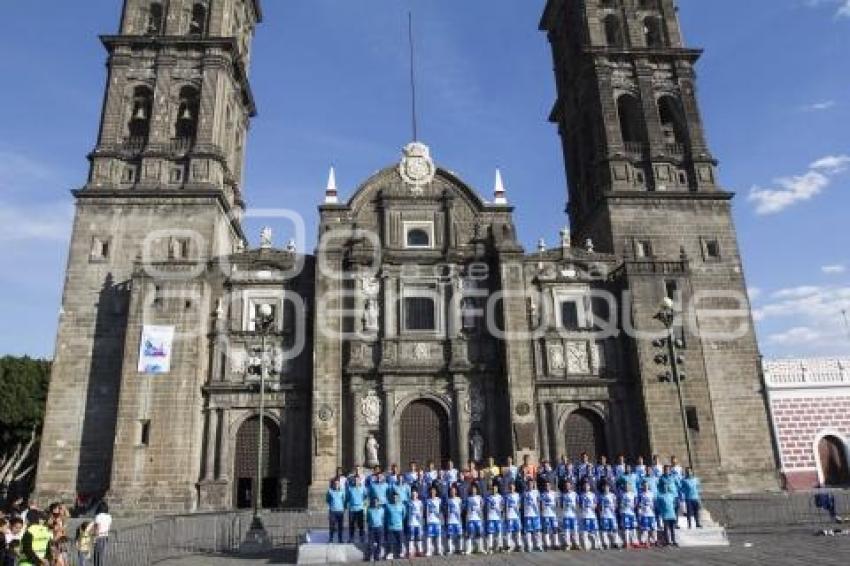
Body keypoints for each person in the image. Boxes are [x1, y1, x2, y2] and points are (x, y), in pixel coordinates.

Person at [578, 481, 601, 551]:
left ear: (589, 487)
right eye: (584, 486)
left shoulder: (593, 495)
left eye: (587, 486)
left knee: (595, 531)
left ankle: (598, 545)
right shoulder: (581, 495)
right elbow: (580, 505)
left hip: (592, 516)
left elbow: (596, 504)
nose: (586, 487)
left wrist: (594, 506)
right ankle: (586, 545)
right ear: (583, 487)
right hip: (585, 516)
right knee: (585, 532)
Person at [522, 479, 543, 552]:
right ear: (527, 485)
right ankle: (529, 546)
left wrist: (540, 511)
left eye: (531, 484)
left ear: (533, 484)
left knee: (537, 530)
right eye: (528, 484)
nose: (530, 485)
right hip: (527, 515)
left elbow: (539, 502)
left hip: (536, 515)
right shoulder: (524, 493)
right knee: (528, 531)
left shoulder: (536, 492)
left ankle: (538, 545)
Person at [599, 483, 621, 549]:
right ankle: (606, 543)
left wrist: (614, 507)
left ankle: (616, 542)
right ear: (603, 488)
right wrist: (601, 512)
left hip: (612, 516)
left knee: (614, 530)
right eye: (605, 488)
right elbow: (599, 506)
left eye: (607, 487)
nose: (606, 489)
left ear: (609, 488)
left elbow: (616, 504)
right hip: (604, 515)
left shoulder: (613, 495)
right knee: (605, 530)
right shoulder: (601, 496)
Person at [558, 480, 580, 550]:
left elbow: (577, 504)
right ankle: (567, 544)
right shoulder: (562, 495)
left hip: (573, 515)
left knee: (575, 530)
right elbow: (561, 505)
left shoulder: (575, 494)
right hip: (566, 515)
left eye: (568, 485)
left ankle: (576, 543)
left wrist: (575, 508)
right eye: (566, 485)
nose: (567, 486)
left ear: (571, 486)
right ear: (564, 486)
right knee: (567, 530)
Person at [384, 492, 406, 559]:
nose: (395, 499)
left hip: (399, 527)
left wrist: (399, 522)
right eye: (394, 498)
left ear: (398, 498)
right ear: (391, 498)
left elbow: (404, 515)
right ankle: (390, 553)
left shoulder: (402, 506)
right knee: (390, 541)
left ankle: (400, 553)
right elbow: (386, 516)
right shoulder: (388, 506)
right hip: (390, 527)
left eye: (396, 497)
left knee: (400, 541)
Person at [464, 483, 485, 554]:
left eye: (475, 489)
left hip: (478, 519)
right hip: (471, 519)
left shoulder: (480, 498)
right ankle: (469, 549)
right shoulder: (469, 498)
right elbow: (467, 509)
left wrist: (481, 517)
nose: (474, 491)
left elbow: (482, 507)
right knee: (470, 534)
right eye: (472, 489)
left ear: (477, 490)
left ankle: (480, 548)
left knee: (479, 533)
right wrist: (467, 518)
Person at [539, 481, 559, 550]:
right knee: (546, 529)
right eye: (546, 486)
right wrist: (542, 510)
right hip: (546, 514)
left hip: (553, 514)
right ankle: (547, 544)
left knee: (555, 528)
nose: (547, 487)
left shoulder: (554, 493)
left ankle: (556, 544)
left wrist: (556, 509)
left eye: (548, 485)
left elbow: (557, 503)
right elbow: (541, 505)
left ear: (550, 486)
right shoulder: (542, 494)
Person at [424, 487, 444, 556]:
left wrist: (441, 520)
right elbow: (426, 511)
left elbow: (441, 511)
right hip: (430, 521)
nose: (432, 492)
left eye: (434, 491)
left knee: (438, 536)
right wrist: (426, 520)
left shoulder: (439, 500)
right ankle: (429, 551)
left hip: (437, 521)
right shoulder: (428, 500)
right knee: (429, 536)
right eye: (431, 491)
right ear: (430, 492)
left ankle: (439, 550)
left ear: (436, 492)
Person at [503, 482, 522, 552]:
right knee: (509, 532)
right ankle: (509, 545)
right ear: (509, 488)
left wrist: (518, 507)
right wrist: (506, 515)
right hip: (509, 516)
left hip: (516, 516)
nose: (511, 488)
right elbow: (505, 506)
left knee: (518, 531)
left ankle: (519, 545)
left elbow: (520, 504)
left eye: (513, 487)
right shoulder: (507, 496)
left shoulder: (517, 495)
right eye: (510, 487)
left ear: (514, 488)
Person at [347, 474, 367, 543]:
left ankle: (362, 537)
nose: (356, 481)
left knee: (361, 524)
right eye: (355, 480)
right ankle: (351, 538)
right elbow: (348, 497)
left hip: (360, 509)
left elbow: (365, 496)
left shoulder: (363, 488)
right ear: (353, 481)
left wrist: (362, 503)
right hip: (352, 509)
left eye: (357, 480)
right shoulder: (350, 488)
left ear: (360, 481)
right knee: (351, 524)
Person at [484, 483, 503, 554]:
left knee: (498, 532)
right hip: (491, 518)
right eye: (493, 489)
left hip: (498, 517)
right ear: (491, 490)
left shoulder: (500, 497)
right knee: (490, 533)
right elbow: (487, 508)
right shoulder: (489, 498)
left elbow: (502, 506)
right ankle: (490, 547)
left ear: (497, 489)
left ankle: (499, 546)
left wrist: (501, 511)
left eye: (495, 489)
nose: (494, 490)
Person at [637, 482, 657, 547]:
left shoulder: (652, 494)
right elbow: (639, 504)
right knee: (645, 529)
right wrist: (640, 512)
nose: (645, 487)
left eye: (647, 486)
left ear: (648, 486)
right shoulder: (641, 494)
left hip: (651, 514)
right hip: (644, 514)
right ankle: (644, 542)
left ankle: (654, 541)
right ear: (643, 487)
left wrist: (654, 510)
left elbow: (654, 503)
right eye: (644, 486)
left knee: (653, 528)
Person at [445, 485, 463, 555]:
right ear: (450, 492)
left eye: (454, 490)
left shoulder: (459, 499)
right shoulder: (448, 500)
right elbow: (447, 510)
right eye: (451, 491)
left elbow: (461, 509)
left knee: (459, 535)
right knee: (450, 535)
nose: (453, 492)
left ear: (456, 491)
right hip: (450, 520)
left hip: (458, 520)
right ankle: (450, 550)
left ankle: (460, 549)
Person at [326, 478, 346, 544]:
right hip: (332, 511)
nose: (336, 485)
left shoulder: (342, 491)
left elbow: (344, 500)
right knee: (332, 526)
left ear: (339, 484)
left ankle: (340, 539)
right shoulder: (330, 491)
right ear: (333, 484)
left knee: (340, 526)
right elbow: (328, 500)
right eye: (335, 483)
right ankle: (331, 539)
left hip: (340, 511)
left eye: (338, 483)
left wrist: (343, 508)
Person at [620, 482, 638, 549]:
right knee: (626, 529)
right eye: (626, 486)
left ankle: (634, 542)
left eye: (628, 486)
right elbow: (621, 504)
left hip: (632, 513)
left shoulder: (633, 494)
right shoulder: (622, 495)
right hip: (625, 513)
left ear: (630, 487)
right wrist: (622, 512)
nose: (627, 487)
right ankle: (627, 543)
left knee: (633, 528)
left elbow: (635, 503)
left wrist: (635, 506)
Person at [366, 498, 385, 562]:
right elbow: (368, 519)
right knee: (370, 542)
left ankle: (377, 556)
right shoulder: (369, 510)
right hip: (372, 528)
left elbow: (383, 518)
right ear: (372, 502)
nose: (375, 503)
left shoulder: (382, 510)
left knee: (380, 542)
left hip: (379, 528)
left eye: (376, 502)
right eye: (374, 502)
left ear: (378, 502)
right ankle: (371, 555)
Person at [406, 489, 424, 558]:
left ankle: (420, 551)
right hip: (411, 523)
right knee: (411, 538)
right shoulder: (409, 502)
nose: (414, 496)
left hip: (418, 523)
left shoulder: (420, 502)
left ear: (417, 495)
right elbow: (407, 513)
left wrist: (421, 521)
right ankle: (411, 552)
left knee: (419, 538)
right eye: (412, 494)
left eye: (415, 494)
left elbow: (422, 512)